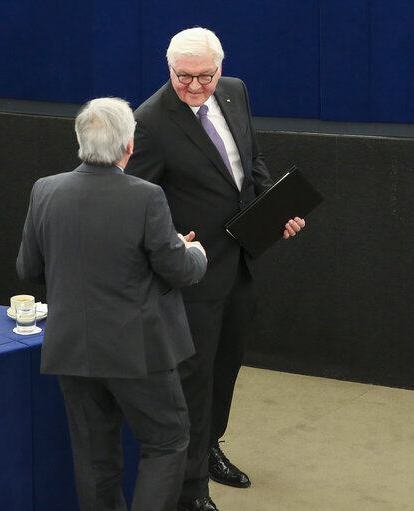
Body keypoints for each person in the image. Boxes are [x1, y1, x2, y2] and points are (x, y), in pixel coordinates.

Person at [125, 27, 304, 511]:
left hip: (242, 259)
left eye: (206, 75)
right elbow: (135, 199)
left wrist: (273, 207)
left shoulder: (236, 91)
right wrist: (167, 244)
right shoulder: (149, 121)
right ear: (169, 69)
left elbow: (251, 160)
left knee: (227, 364)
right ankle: (191, 490)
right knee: (195, 376)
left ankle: (209, 447)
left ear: (220, 69)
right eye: (185, 77)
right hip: (194, 271)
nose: (197, 86)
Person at [17, 97, 208, 511]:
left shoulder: (45, 190)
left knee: (93, 459)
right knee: (166, 443)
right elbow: (177, 269)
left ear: (81, 141)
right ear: (130, 146)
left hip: (72, 349)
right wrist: (192, 252)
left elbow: (28, 269)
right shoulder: (146, 197)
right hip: (138, 353)